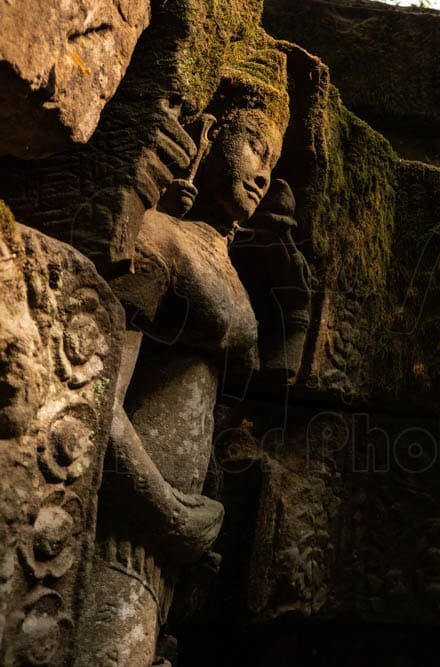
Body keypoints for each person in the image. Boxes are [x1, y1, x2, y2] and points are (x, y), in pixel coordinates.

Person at [76, 48, 304, 667]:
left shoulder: (220, 263)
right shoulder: (158, 243)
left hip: (170, 543)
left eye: (272, 160)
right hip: (118, 523)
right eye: (254, 144)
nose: (263, 173)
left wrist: (296, 311)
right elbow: (91, 392)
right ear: (209, 134)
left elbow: (234, 403)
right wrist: (166, 512)